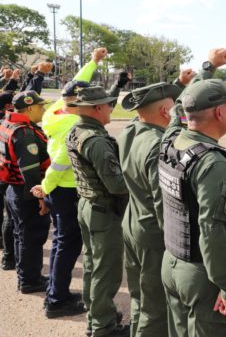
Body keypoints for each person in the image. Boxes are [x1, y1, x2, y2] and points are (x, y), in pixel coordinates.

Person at [159, 75, 226, 337]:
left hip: (173, 262)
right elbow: (213, 230)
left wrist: (205, 73)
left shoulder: (170, 141)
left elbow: (177, 112)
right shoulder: (212, 164)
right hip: (203, 275)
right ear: (220, 112)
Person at [30, 47, 111, 319]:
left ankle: (56, 291)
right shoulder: (74, 125)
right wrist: (46, 187)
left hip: (59, 191)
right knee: (68, 245)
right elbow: (60, 163)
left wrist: (93, 62)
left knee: (61, 244)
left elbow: (75, 84)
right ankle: (57, 300)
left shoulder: (56, 110)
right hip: (65, 189)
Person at [117, 78, 188, 336]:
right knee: (155, 308)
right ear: (164, 112)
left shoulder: (131, 131)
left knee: (140, 299)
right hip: (153, 237)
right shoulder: (159, 145)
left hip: (133, 225)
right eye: (175, 108)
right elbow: (164, 204)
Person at [66, 86, 129, 336]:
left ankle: (97, 317)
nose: (111, 108)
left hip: (87, 204)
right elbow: (116, 185)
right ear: (97, 108)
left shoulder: (78, 130)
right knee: (107, 271)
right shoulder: (96, 140)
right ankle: (104, 327)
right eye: (108, 104)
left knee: (94, 265)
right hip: (103, 210)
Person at [0, 91, 51, 294]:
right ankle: (30, 280)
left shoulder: (7, 123)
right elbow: (29, 170)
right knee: (32, 236)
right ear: (30, 108)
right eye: (41, 106)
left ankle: (25, 274)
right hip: (25, 191)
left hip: (12, 190)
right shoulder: (24, 133)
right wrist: (40, 197)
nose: (44, 109)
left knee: (20, 233)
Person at [0, 91, 16, 270]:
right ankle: (9, 257)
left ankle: (7, 256)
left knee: (7, 217)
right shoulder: (7, 124)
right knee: (10, 218)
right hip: (6, 176)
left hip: (3, 173)